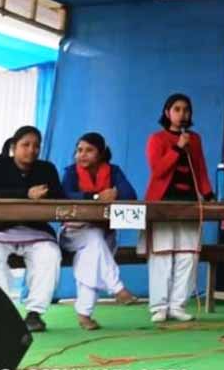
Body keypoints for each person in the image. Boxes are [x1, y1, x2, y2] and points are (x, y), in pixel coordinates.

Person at [0, 126, 63, 332]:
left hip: (34, 228)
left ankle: (34, 313)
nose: (31, 150)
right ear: (14, 146)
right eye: (26, 145)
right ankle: (4, 313)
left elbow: (59, 195)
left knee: (50, 254)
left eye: (36, 146)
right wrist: (27, 194)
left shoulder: (46, 169)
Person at [140, 93, 214, 323]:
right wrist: (178, 149)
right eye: (177, 109)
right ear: (167, 113)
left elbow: (200, 169)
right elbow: (158, 170)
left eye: (186, 110)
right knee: (162, 254)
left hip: (189, 203)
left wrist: (208, 194)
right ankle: (159, 306)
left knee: (188, 255)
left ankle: (177, 305)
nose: (182, 114)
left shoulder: (195, 139)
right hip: (162, 202)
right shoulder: (157, 139)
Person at [59, 132, 138, 330]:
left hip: (105, 233)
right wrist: (95, 197)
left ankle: (84, 315)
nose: (82, 154)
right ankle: (117, 287)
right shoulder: (71, 172)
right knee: (94, 239)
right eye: (79, 150)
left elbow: (130, 195)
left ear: (101, 153)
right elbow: (65, 195)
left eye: (89, 150)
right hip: (73, 233)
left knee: (91, 258)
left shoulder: (114, 171)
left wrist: (115, 192)